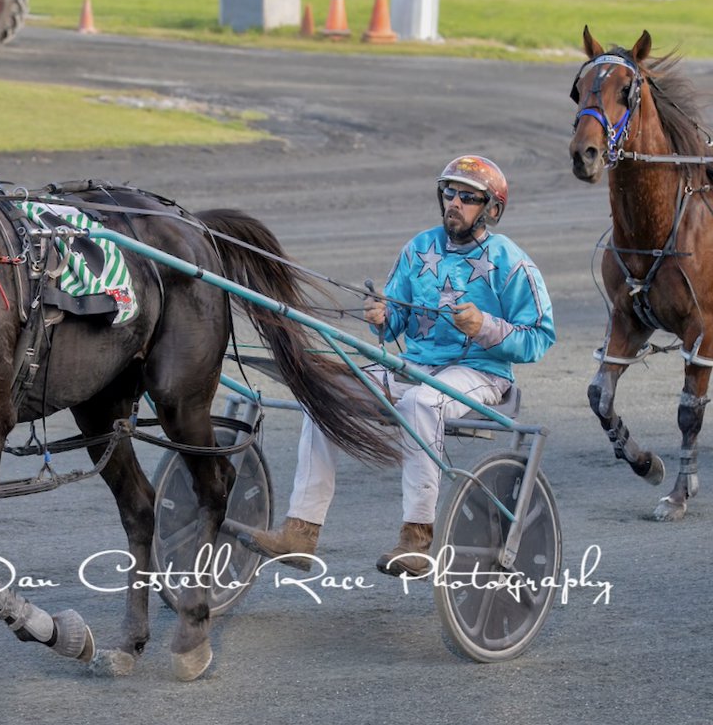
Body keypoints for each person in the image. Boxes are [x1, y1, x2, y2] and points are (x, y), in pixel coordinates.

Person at [235, 155, 555, 577]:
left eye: (467, 197)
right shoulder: (419, 247)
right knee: (323, 396)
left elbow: (540, 337)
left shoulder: (511, 261)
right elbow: (397, 321)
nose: (454, 203)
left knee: (421, 404)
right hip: (415, 365)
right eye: (449, 193)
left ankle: (417, 539)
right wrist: (383, 316)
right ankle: (300, 532)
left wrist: (485, 326)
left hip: (481, 373)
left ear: (491, 209)